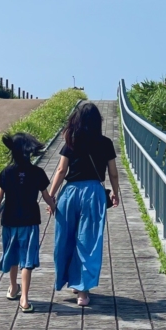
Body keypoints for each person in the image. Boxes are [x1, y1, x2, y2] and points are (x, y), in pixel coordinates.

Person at [47, 102, 121, 307]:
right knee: (89, 241)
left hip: (70, 193)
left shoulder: (70, 140)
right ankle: (82, 292)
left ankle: (68, 280)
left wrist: (51, 197)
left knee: (65, 238)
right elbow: (113, 172)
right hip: (94, 193)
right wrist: (115, 193)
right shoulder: (106, 143)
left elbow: (61, 171)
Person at [0, 132, 49, 313]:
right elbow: (46, 197)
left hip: (9, 221)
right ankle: (25, 299)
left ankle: (13, 288)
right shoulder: (38, 173)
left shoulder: (6, 172)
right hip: (30, 222)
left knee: (13, 254)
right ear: (29, 152)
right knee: (27, 260)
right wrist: (54, 208)